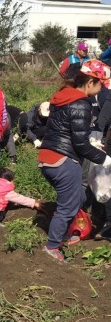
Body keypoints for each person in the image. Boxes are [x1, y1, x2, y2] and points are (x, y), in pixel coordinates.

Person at [39, 60, 111, 261]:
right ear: (90, 82)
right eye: (100, 84)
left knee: (78, 196)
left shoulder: (63, 97)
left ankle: (66, 231)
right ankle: (52, 246)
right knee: (67, 206)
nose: (101, 88)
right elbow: (79, 143)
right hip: (64, 159)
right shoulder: (81, 103)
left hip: (47, 156)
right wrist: (103, 158)